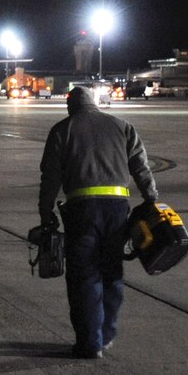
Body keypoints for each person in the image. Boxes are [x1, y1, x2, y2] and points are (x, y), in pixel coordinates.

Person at [38, 86, 157, 359]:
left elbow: (51, 178)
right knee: (111, 272)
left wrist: (46, 213)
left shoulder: (61, 130)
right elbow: (140, 165)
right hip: (117, 210)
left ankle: (90, 342)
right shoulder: (122, 126)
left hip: (82, 211)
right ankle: (106, 335)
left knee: (84, 276)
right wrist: (151, 198)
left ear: (71, 105)